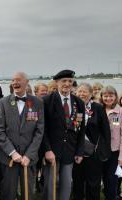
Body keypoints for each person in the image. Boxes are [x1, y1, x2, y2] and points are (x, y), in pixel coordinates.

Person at [0, 72, 44, 200]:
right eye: (13, 80)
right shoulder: (3, 102)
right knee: (8, 194)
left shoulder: (37, 102)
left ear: (26, 82)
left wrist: (29, 155)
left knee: (28, 194)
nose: (15, 82)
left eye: (18, 79)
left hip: (29, 159)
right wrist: (13, 153)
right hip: (9, 159)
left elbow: (39, 132)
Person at [42, 69, 85, 200]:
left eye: (70, 81)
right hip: (52, 151)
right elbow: (42, 129)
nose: (67, 84)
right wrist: (47, 150)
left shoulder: (78, 102)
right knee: (51, 185)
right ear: (56, 82)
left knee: (66, 184)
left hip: (70, 150)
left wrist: (79, 151)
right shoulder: (47, 101)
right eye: (64, 81)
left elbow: (80, 128)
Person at [72, 83, 111, 200]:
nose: (82, 94)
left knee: (93, 183)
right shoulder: (74, 107)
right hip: (77, 151)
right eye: (80, 91)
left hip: (94, 152)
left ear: (91, 94)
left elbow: (106, 131)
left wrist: (103, 150)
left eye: (85, 92)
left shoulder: (98, 108)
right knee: (77, 181)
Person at [100, 86, 122, 200]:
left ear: (116, 97)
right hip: (99, 151)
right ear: (101, 97)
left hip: (114, 152)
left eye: (111, 96)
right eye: (105, 96)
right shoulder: (98, 109)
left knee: (111, 181)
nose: (108, 98)